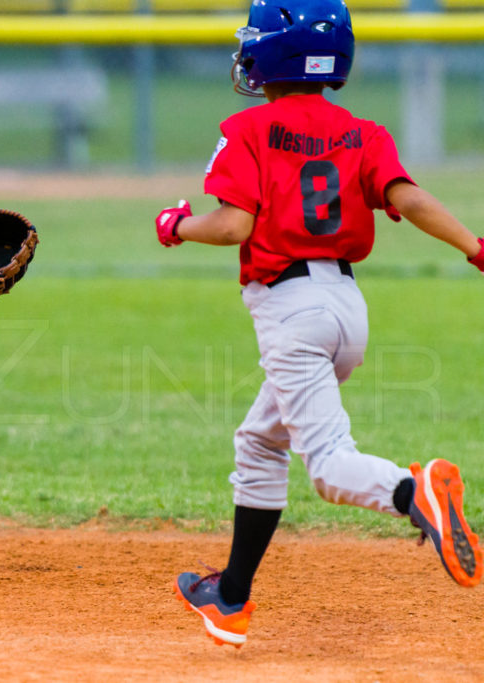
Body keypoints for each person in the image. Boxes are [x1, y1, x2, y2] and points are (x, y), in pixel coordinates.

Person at [155, 0, 484, 647]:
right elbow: (409, 197)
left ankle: (412, 489)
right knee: (258, 441)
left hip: (290, 309)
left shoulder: (248, 128)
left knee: (329, 466)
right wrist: (475, 246)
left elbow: (234, 225)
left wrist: (176, 226)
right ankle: (231, 597)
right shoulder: (364, 132)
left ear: (272, 56)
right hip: (346, 310)